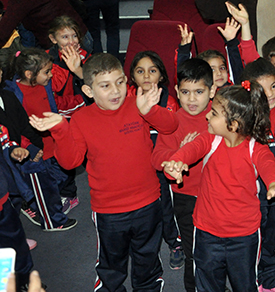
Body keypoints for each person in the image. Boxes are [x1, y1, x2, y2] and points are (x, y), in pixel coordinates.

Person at [29, 53, 179, 292]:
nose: (115, 91)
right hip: (109, 210)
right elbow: (70, 162)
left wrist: (149, 111)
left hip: (148, 203)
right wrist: (60, 129)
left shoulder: (137, 104)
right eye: (105, 86)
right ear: (89, 91)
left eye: (120, 82)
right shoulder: (80, 119)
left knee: (148, 261)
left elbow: (170, 126)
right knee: (111, 266)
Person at [161, 83, 275, 292]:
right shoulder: (209, 139)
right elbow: (189, 150)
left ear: (233, 124)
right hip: (206, 232)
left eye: (213, 113)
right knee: (207, 284)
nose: (207, 117)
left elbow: (268, 166)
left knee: (245, 284)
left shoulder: (255, 148)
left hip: (244, 237)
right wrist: (175, 164)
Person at [152, 58, 216, 292]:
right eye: (186, 92)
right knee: (194, 251)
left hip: (219, 195)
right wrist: (178, 154)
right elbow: (156, 157)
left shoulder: (220, 117)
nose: (191, 99)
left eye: (199, 91)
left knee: (217, 248)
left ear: (212, 91)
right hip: (187, 197)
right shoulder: (172, 121)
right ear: (177, 92)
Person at [4, 49, 78, 232]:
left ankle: (34, 203)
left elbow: (54, 107)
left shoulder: (44, 85)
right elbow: (14, 127)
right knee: (45, 191)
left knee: (59, 178)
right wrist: (29, 147)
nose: (50, 75)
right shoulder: (14, 94)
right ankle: (53, 221)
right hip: (33, 153)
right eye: (46, 72)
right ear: (29, 74)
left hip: (52, 145)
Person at [241, 59, 275, 291]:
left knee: (272, 232)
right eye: (262, 89)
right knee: (252, 236)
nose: (270, 94)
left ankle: (269, 277)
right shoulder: (245, 118)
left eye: (274, 86)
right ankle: (249, 279)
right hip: (252, 191)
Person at [128, 51, 184, 270]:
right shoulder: (127, 99)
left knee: (166, 206)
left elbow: (172, 132)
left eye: (152, 71)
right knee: (141, 208)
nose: (147, 76)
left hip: (162, 163)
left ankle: (174, 242)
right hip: (137, 165)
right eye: (140, 71)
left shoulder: (169, 102)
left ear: (161, 76)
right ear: (133, 77)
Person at [0, 125, 35, 292]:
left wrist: (13, 148)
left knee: (17, 242)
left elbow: (4, 137)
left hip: (3, 200)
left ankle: (25, 280)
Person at [176, 19, 244, 88]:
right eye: (212, 70)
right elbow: (183, 77)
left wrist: (231, 43)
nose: (219, 73)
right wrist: (184, 51)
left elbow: (237, 68)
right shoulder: (199, 94)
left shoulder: (234, 89)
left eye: (222, 68)